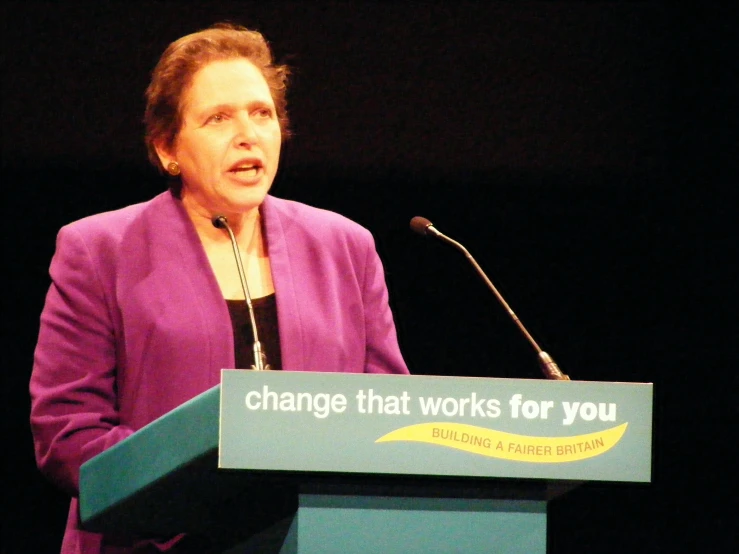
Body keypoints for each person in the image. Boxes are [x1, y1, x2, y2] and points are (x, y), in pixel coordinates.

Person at [30, 22, 409, 554]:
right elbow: (66, 431)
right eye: (218, 118)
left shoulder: (346, 247)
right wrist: (202, 490)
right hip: (154, 541)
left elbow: (387, 412)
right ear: (168, 148)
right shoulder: (98, 250)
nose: (247, 134)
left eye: (262, 113)